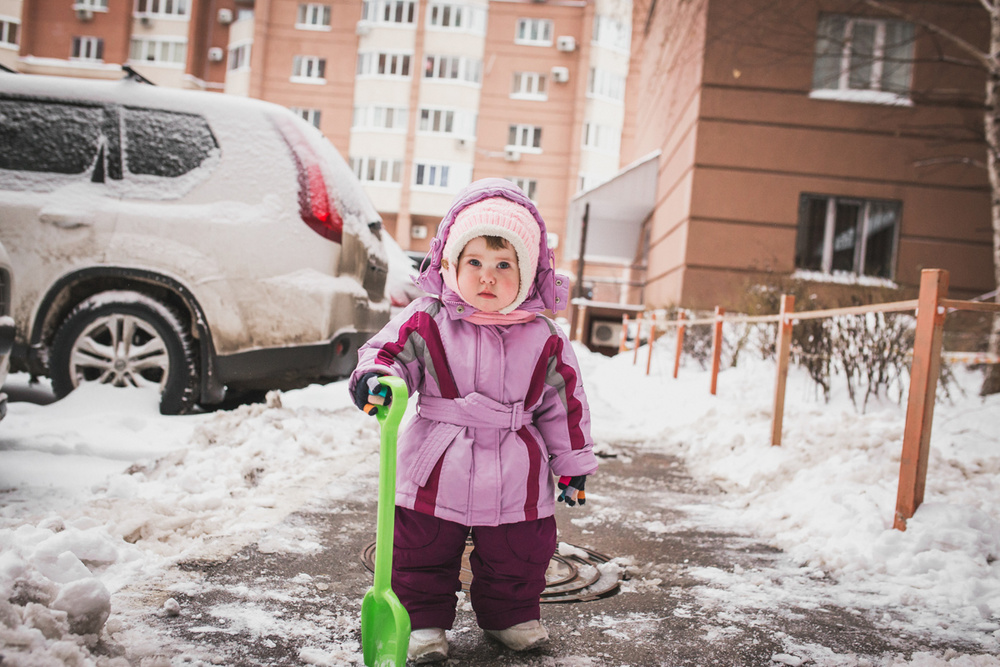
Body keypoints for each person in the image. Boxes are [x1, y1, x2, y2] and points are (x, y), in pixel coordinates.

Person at [349, 178, 598, 664]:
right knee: (418, 547)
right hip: (435, 459)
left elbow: (564, 401)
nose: (488, 277)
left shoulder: (543, 336)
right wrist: (377, 378)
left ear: (526, 275)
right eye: (476, 263)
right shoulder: (427, 318)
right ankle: (420, 621)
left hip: (515, 463)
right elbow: (387, 354)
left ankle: (509, 614)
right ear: (451, 265)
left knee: (520, 549)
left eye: (504, 265)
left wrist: (571, 462)